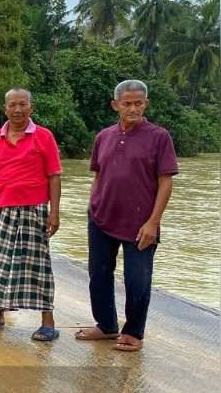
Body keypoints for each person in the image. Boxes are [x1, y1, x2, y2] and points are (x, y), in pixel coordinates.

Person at [75, 79, 178, 352]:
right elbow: (98, 174)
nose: (133, 108)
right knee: (99, 274)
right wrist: (92, 205)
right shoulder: (104, 136)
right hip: (101, 217)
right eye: (127, 103)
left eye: (138, 103)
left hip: (141, 223)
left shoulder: (159, 137)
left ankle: (133, 333)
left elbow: (166, 181)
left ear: (146, 104)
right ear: (115, 105)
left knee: (137, 280)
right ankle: (106, 325)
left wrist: (153, 222)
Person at [0, 88, 63, 341]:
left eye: (23, 104)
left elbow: (54, 176)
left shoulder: (44, 136)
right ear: (5, 109)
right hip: (3, 210)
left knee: (38, 266)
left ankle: (48, 322)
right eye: (13, 105)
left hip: (35, 210)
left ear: (31, 108)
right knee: (2, 263)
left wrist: (54, 213)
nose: (18, 110)